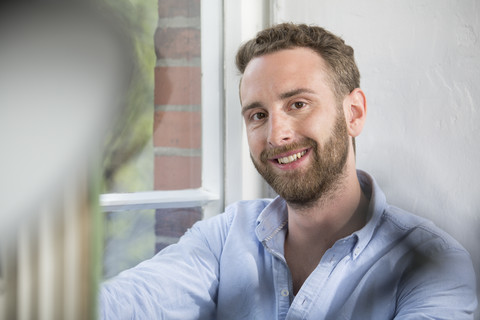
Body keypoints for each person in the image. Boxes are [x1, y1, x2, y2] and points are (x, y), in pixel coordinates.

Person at [100, 23, 477, 319]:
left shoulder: (434, 263)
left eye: (298, 104)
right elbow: (129, 301)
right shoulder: (224, 238)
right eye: (258, 115)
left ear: (354, 113)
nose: (276, 134)